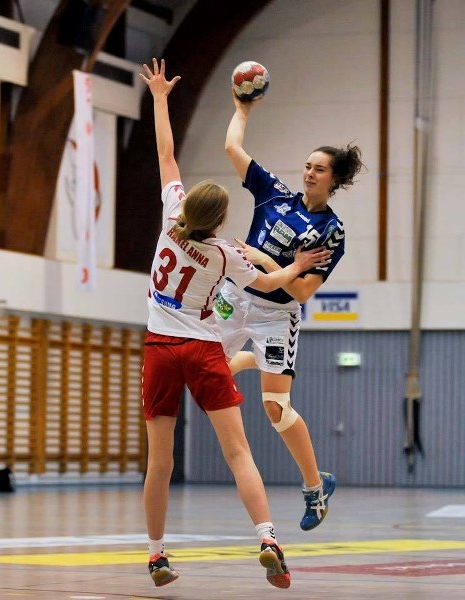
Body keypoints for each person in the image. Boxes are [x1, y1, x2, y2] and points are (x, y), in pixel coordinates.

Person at [139, 58, 331, 589]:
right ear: (219, 221)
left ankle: (157, 556)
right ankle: (268, 538)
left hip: (159, 347)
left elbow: (166, 156)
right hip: (202, 351)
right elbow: (270, 286)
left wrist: (159, 98)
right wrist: (294, 265)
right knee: (238, 451)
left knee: (160, 464)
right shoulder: (224, 255)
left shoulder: (168, 223)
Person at [215, 91, 364, 532]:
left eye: (319, 169)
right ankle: (245, 359)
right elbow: (232, 149)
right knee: (207, 365)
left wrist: (264, 260)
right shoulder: (274, 195)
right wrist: (242, 109)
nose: (309, 173)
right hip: (237, 295)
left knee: (276, 408)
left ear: (334, 180)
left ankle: (316, 487)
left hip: (277, 315)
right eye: (307, 165)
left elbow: (300, 291)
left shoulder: (330, 231)